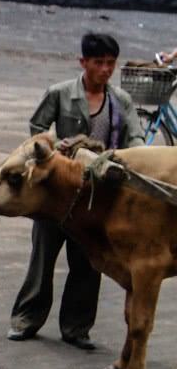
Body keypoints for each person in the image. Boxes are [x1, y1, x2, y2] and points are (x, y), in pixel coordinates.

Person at [10, 31, 141, 348]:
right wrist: (53, 147)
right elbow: (37, 128)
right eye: (99, 63)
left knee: (88, 262)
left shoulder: (119, 102)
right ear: (83, 62)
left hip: (93, 196)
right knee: (43, 258)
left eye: (111, 63)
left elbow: (135, 138)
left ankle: (76, 327)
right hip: (55, 192)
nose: (106, 70)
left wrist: (127, 157)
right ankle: (26, 319)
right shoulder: (60, 93)